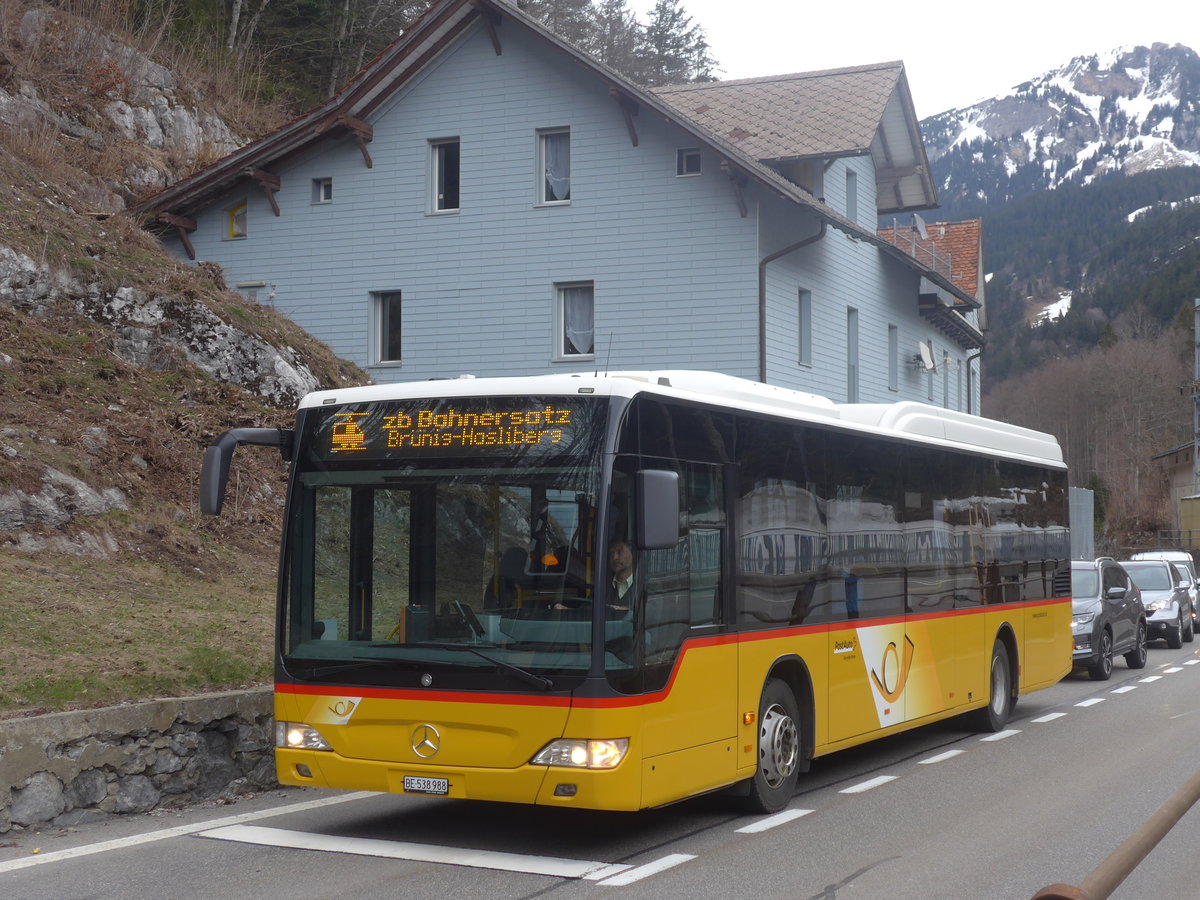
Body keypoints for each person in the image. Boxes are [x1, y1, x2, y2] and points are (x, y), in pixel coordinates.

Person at [607, 539, 636, 612]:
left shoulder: (643, 585)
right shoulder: (602, 585)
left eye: (620, 552)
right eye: (611, 553)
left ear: (632, 554)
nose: (614, 558)